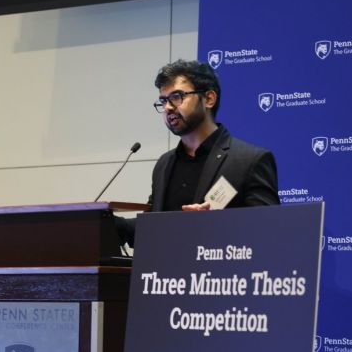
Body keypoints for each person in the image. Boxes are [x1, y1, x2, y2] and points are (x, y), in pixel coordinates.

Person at [117, 59, 279, 247]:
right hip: (167, 274)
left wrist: (215, 225)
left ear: (209, 99)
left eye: (177, 97)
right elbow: (154, 226)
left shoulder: (249, 161)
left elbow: (269, 231)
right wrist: (110, 225)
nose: (168, 107)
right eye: (163, 100)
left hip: (221, 273)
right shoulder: (164, 164)